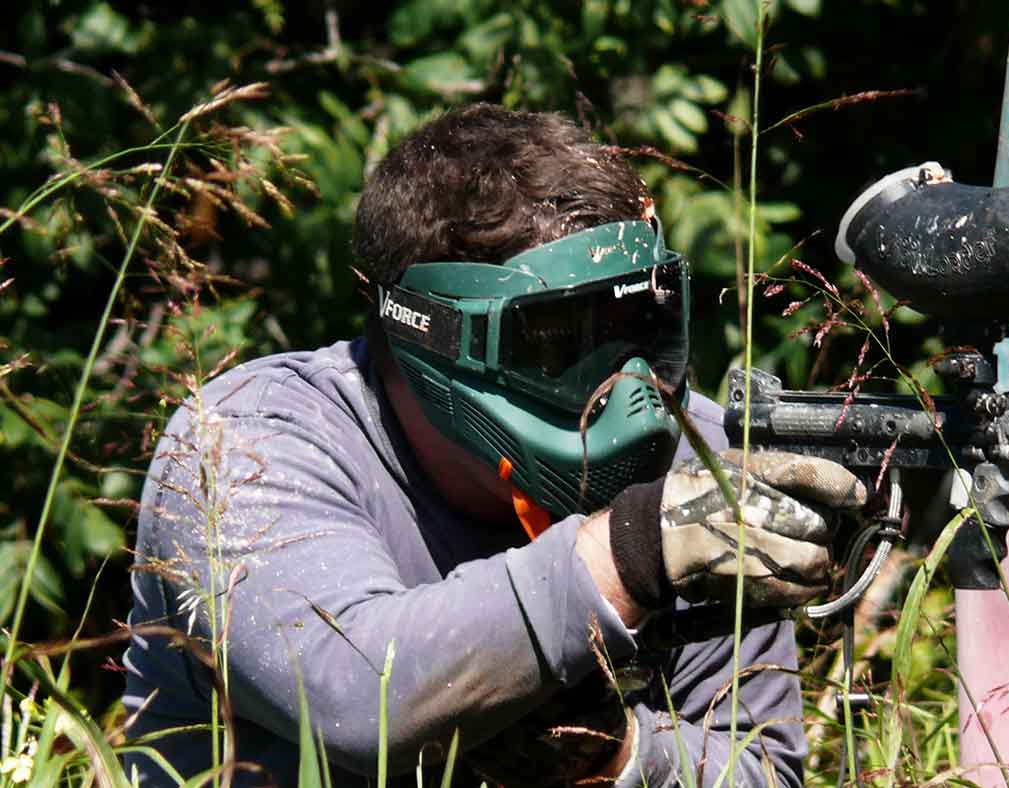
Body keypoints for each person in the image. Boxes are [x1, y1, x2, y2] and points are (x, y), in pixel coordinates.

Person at [122, 103, 866, 787]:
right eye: (562, 343)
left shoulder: (692, 464)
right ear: (431, 338)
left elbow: (762, 769)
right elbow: (355, 700)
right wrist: (631, 555)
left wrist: (617, 756)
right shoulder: (250, 440)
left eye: (640, 328)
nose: (626, 387)